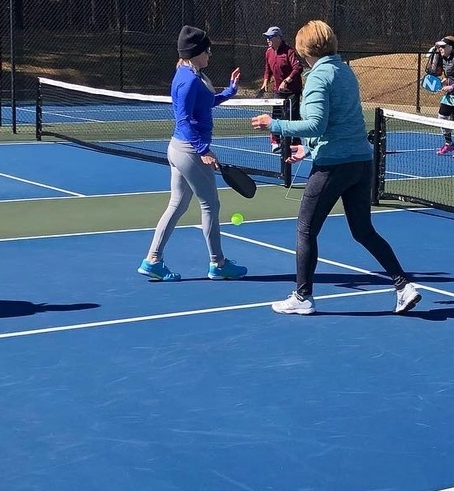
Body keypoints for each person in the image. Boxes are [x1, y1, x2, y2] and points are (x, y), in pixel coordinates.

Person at [251, 20, 421, 316]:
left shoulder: (318, 78)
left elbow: (316, 123)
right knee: (363, 230)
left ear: (305, 49)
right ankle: (404, 286)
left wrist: (274, 123)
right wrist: (309, 148)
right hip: (360, 163)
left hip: (334, 166)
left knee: (305, 229)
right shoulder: (344, 71)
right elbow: (338, 122)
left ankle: (302, 297)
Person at [138, 25, 248, 282]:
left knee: (177, 204)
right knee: (210, 204)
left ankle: (152, 259)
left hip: (180, 149)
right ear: (196, 52)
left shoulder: (190, 74)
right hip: (188, 150)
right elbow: (184, 119)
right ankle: (218, 264)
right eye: (207, 50)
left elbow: (204, 104)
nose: (210, 54)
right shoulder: (188, 81)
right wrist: (203, 150)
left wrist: (229, 92)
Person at [258, 26, 303, 149]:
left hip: (293, 90)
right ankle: (275, 142)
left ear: (278, 38)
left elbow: (298, 68)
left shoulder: (289, 51)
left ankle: (296, 141)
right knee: (276, 114)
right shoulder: (268, 52)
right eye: (267, 37)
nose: (267, 40)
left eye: (270, 37)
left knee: (293, 116)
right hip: (278, 90)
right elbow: (268, 69)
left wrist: (287, 81)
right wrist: (265, 82)